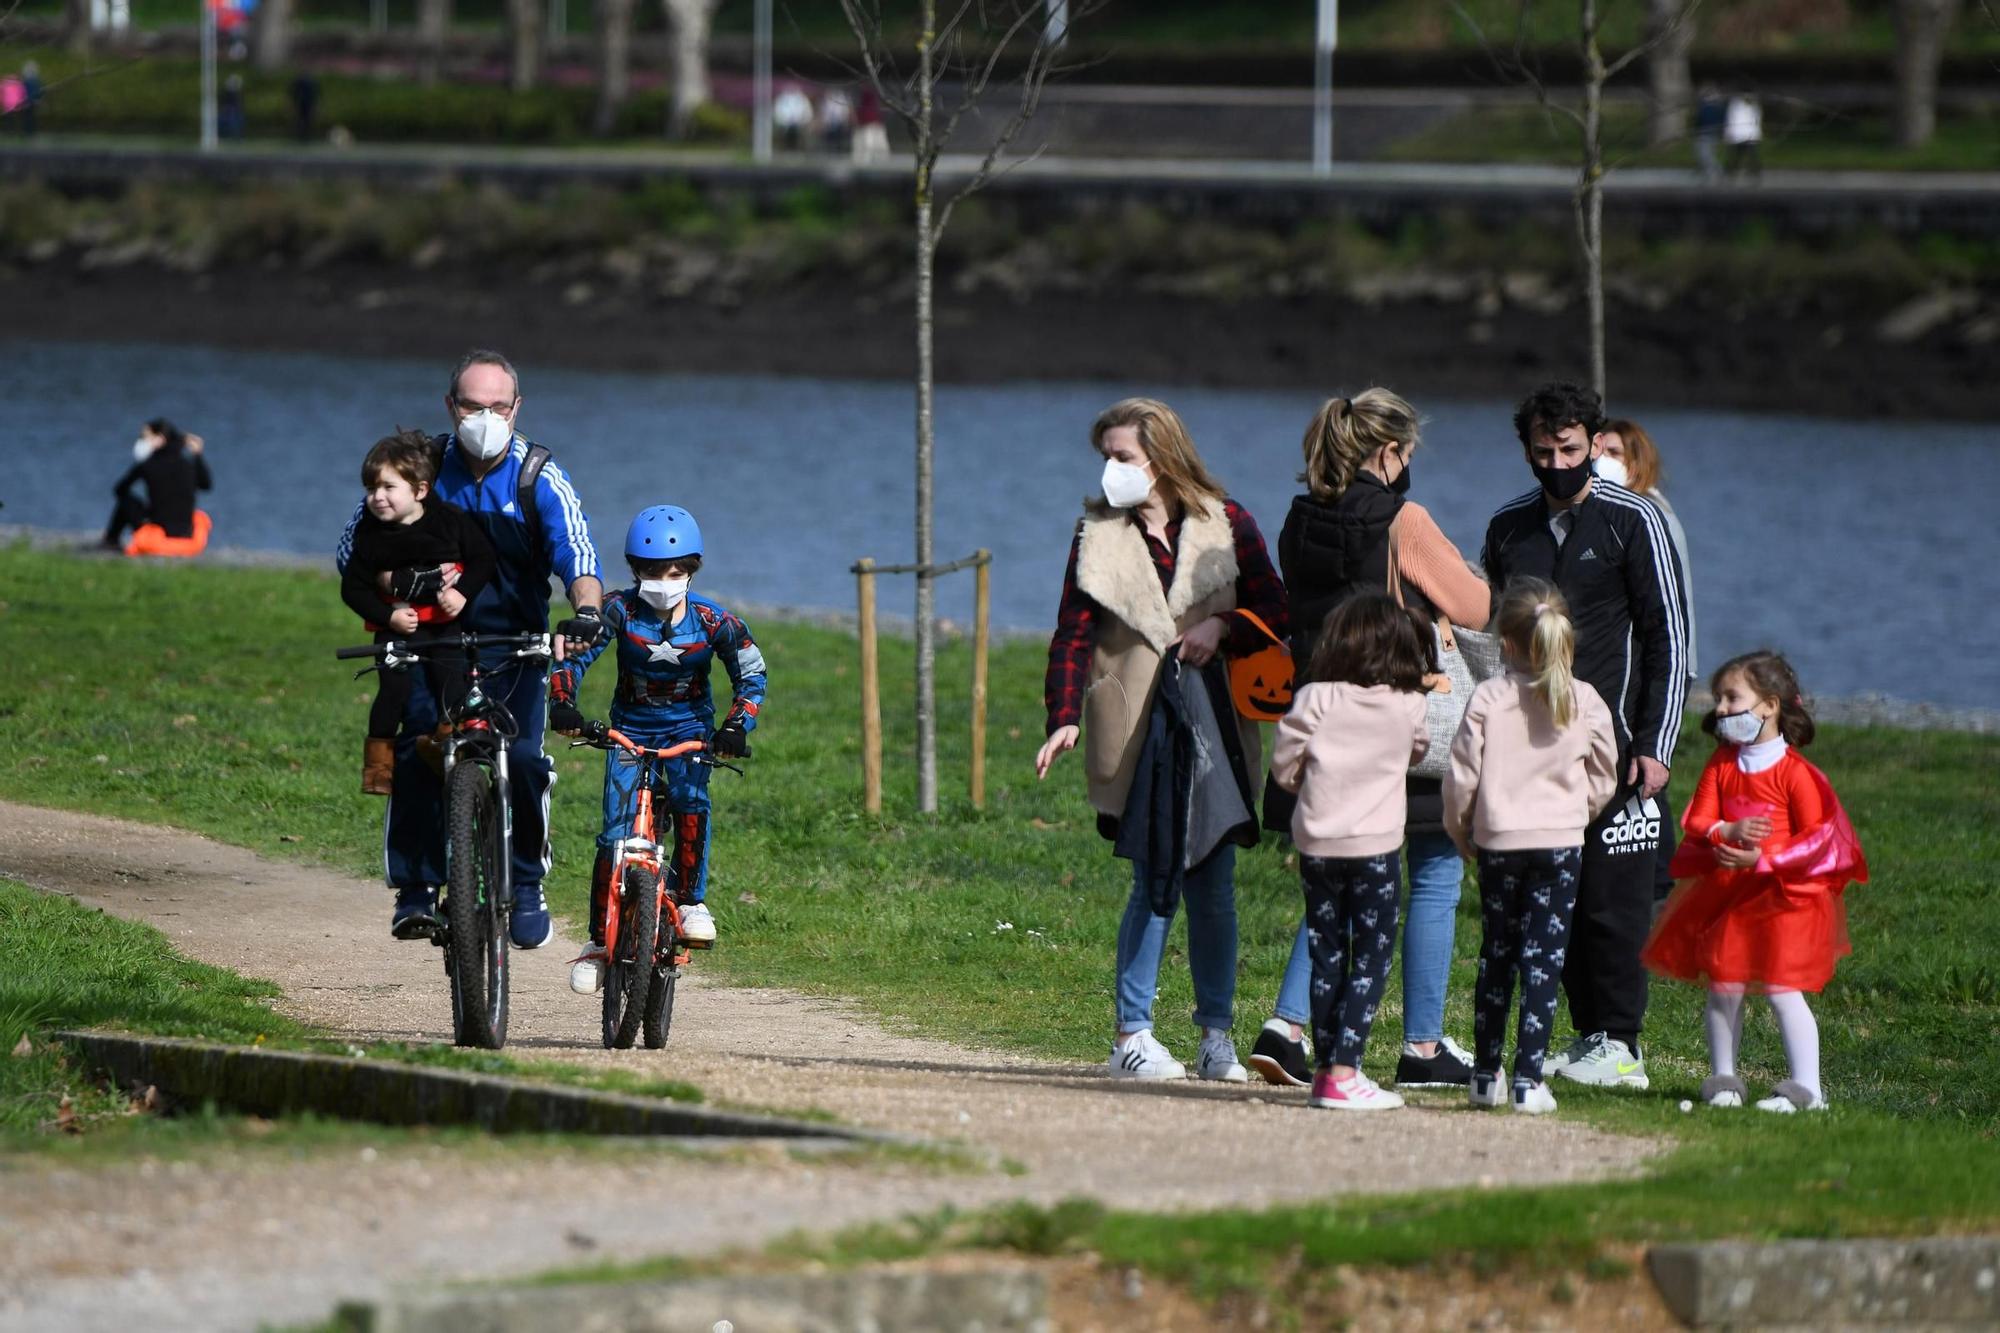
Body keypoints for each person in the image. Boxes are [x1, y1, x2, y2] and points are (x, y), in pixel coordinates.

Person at [1036, 397, 1287, 1082]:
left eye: (1122, 456)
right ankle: (1132, 1034)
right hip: (1136, 726)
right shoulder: (1098, 534)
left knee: (1214, 883)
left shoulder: (1228, 524)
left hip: (1216, 726)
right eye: (1106, 456)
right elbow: (1073, 632)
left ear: (1163, 458)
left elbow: (1274, 607)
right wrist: (1064, 715)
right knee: (1153, 873)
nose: (1110, 469)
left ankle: (1216, 1036)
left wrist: (1224, 628)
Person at [1252, 389, 1491, 1091]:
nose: (1410, 462)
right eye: (1408, 451)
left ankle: (1286, 1025)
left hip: (1324, 716)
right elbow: (1475, 605)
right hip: (1400, 719)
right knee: (1437, 871)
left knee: (1337, 886)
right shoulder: (1403, 518)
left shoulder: (1300, 518)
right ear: (1388, 451)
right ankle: (1421, 1047)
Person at [336, 350, 608, 945]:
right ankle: (415, 888)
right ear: (449, 406)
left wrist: (586, 610)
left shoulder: (538, 476)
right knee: (414, 750)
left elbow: (578, 556)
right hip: (429, 642)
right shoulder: (417, 469)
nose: (484, 416)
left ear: (517, 409)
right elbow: (351, 552)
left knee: (530, 764)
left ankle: (527, 882)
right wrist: (399, 588)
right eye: (471, 405)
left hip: (517, 646)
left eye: (497, 406)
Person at [1481, 382, 1688, 1090]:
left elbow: (1668, 636)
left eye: (1570, 448)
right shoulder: (1509, 526)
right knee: (1553, 900)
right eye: (1543, 450)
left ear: (1592, 443)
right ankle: (1587, 1034)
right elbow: (1493, 634)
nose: (1558, 462)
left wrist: (1656, 745)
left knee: (1614, 900)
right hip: (1534, 749)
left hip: (1621, 746)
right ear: (1528, 449)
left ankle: (1622, 1042)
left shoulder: (1635, 520)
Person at [1642, 652, 1866, 1114]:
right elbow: (1698, 817)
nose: (1721, 708)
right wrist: (1726, 831)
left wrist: (1761, 857)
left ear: (1768, 705)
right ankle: (1723, 1078)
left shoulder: (1796, 775)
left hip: (1785, 899)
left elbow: (1818, 840)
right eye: (1719, 698)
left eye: (1731, 697)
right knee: (1725, 985)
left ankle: (1809, 1089)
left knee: (1784, 990)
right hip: (1730, 898)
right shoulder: (1723, 764)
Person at [548, 505, 766, 978]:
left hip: (690, 730)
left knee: (691, 802)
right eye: (651, 571)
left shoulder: (714, 621)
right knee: (614, 834)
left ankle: (691, 901)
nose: (664, 580)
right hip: (630, 728)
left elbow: (752, 674)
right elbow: (573, 657)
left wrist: (733, 728)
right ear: (634, 570)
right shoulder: (618, 610)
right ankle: (596, 941)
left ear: (692, 570)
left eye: (675, 571)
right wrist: (563, 702)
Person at [1443, 580, 1618, 1116]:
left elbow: (1461, 775)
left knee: (1498, 954)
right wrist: (1577, 812)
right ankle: (1527, 1079)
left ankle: (1482, 1073)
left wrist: (1460, 827)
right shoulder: (1583, 699)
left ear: (1506, 644)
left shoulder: (1490, 697)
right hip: (1561, 845)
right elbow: (1604, 774)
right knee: (1543, 959)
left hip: (1500, 843)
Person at [1269, 593, 1435, 1112]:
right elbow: (1419, 750)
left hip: (1317, 844)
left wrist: (1310, 785)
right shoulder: (1408, 704)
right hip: (1376, 849)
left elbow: (1284, 766)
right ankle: (1346, 1070)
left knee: (1327, 955)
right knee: (1371, 956)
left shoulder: (1315, 697)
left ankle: (1323, 1070)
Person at [339, 429, 496, 799]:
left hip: (444, 624)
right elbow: (353, 588)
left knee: (453, 689)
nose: (377, 497)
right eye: (371, 488)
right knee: (393, 693)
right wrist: (387, 615)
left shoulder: (449, 521)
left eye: (388, 487)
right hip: (396, 627)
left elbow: (483, 559)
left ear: (420, 490)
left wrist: (461, 593)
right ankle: (378, 766)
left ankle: (445, 747)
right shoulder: (371, 535)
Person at [1594, 416, 1699, 906]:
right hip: (1634, 665)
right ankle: (1652, 876)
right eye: (1601, 449)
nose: (1602, 460)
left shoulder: (1650, 515)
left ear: (1636, 461)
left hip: (1652, 666)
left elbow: (1666, 611)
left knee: (1645, 769)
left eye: (1614, 452)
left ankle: (1656, 880)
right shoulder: (1619, 513)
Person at [105, 419, 212, 552]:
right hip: (186, 533)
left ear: (160, 439)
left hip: (158, 531)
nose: (142, 442)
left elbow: (119, 489)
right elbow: (206, 485)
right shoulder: (187, 465)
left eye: (145, 437)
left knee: (126, 502)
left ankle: (111, 541)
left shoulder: (148, 465)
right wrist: (198, 455)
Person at [1724, 90, 1762, 182]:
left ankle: (1754, 171)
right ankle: (1731, 171)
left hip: (1749, 135)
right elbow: (1731, 120)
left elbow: (1757, 121)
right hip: (1738, 135)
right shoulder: (1735, 106)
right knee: (1736, 155)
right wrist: (1728, 133)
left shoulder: (1753, 107)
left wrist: (1757, 134)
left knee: (1751, 155)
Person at [1692, 84, 1726, 183]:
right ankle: (1710, 172)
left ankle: (1715, 173)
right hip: (1712, 133)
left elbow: (1700, 120)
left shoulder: (1705, 107)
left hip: (1705, 133)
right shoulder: (1718, 107)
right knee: (1707, 154)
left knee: (1705, 155)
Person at [290, 72, 320, 143]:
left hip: (306, 103)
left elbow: (315, 94)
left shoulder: (311, 82)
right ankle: (302, 136)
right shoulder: (302, 82)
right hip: (302, 103)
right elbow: (294, 93)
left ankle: (304, 136)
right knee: (302, 120)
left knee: (305, 120)